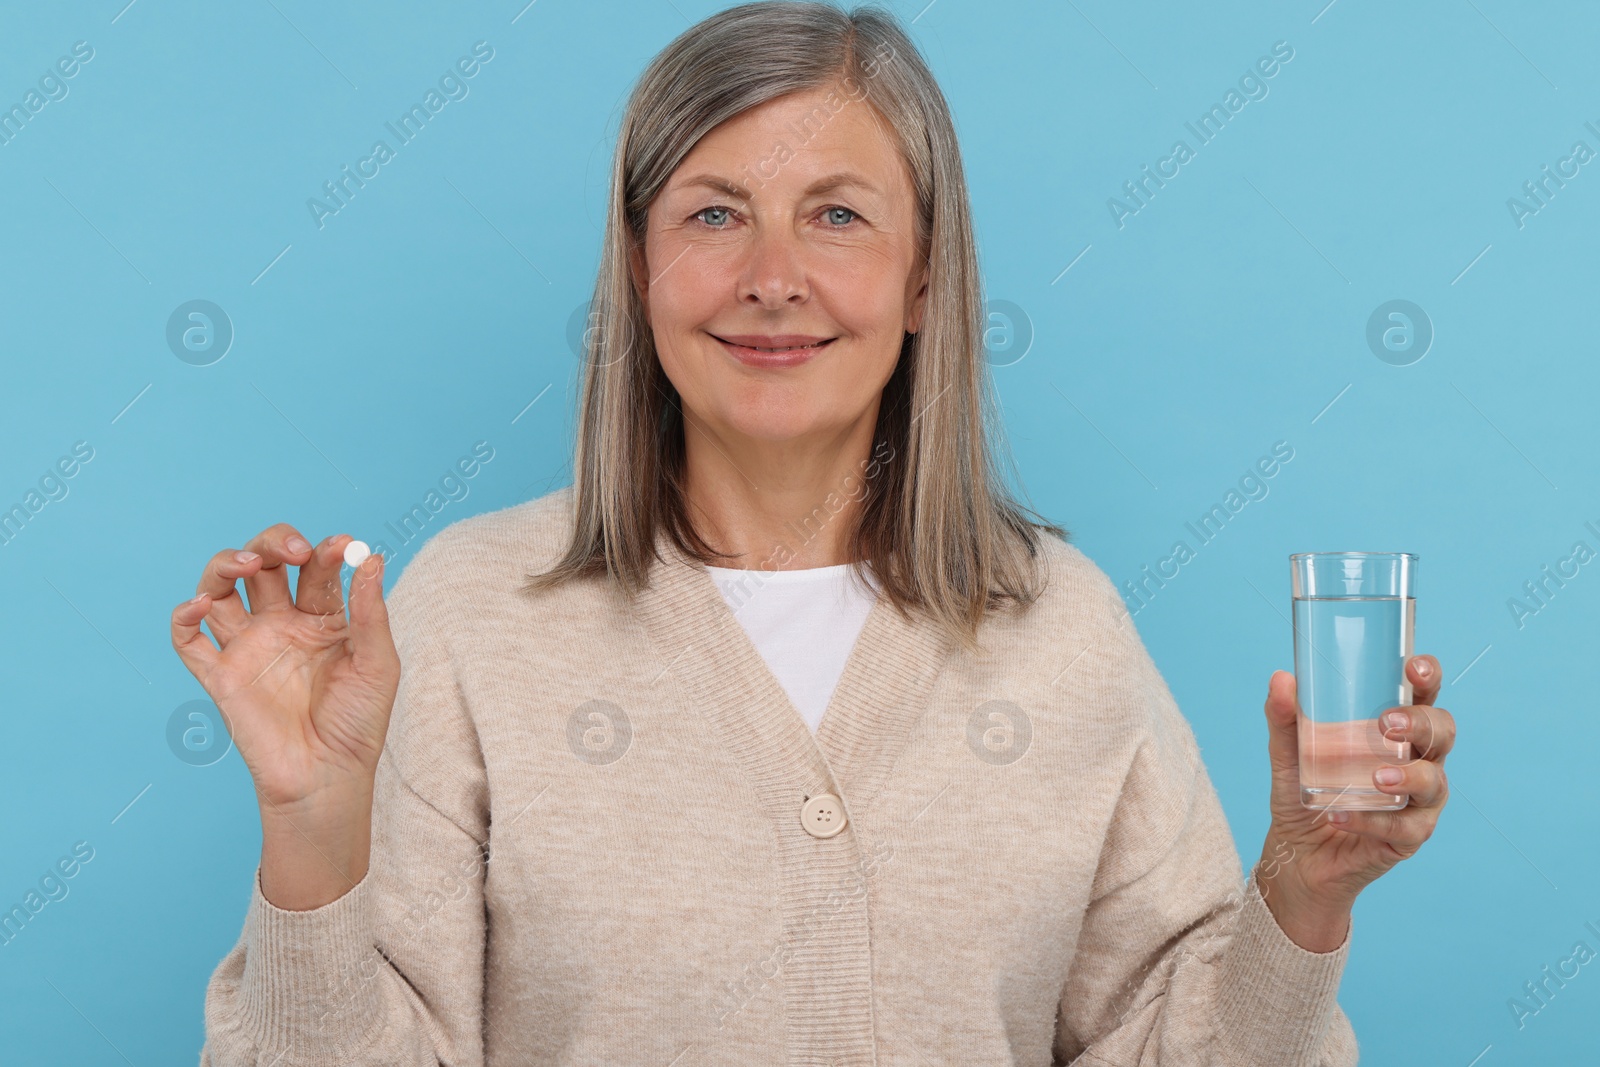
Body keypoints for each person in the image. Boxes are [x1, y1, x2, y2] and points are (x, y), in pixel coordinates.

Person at [174, 3, 1455, 1063]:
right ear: (636, 263)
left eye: (837, 214)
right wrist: (312, 823)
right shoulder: (470, 611)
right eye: (714, 213)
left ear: (920, 276)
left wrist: (1301, 891)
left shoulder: (1060, 626)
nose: (771, 275)